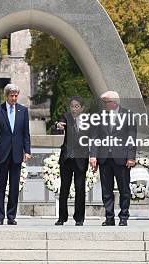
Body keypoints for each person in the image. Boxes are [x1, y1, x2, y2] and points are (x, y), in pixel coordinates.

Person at [90, 91, 136, 227]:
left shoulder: (128, 115)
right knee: (106, 190)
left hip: (121, 158)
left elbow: (132, 138)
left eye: (105, 102)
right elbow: (95, 137)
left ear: (113, 102)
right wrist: (93, 155)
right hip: (104, 158)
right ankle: (109, 217)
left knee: (124, 189)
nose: (103, 104)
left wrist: (131, 157)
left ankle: (123, 216)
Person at [0, 84, 31, 225]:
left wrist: (28, 150)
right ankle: (0, 215)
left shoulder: (23, 111)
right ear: (6, 96)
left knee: (14, 186)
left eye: (16, 95)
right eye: (11, 95)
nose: (14, 98)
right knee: (0, 186)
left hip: (17, 154)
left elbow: (26, 133)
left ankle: (11, 216)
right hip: (1, 153)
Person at [54, 97, 89, 226]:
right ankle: (62, 217)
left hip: (81, 159)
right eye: (72, 106)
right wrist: (58, 125)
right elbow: (59, 124)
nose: (74, 109)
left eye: (76, 106)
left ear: (82, 108)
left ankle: (79, 218)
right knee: (64, 188)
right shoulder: (66, 117)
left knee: (80, 189)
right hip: (67, 159)